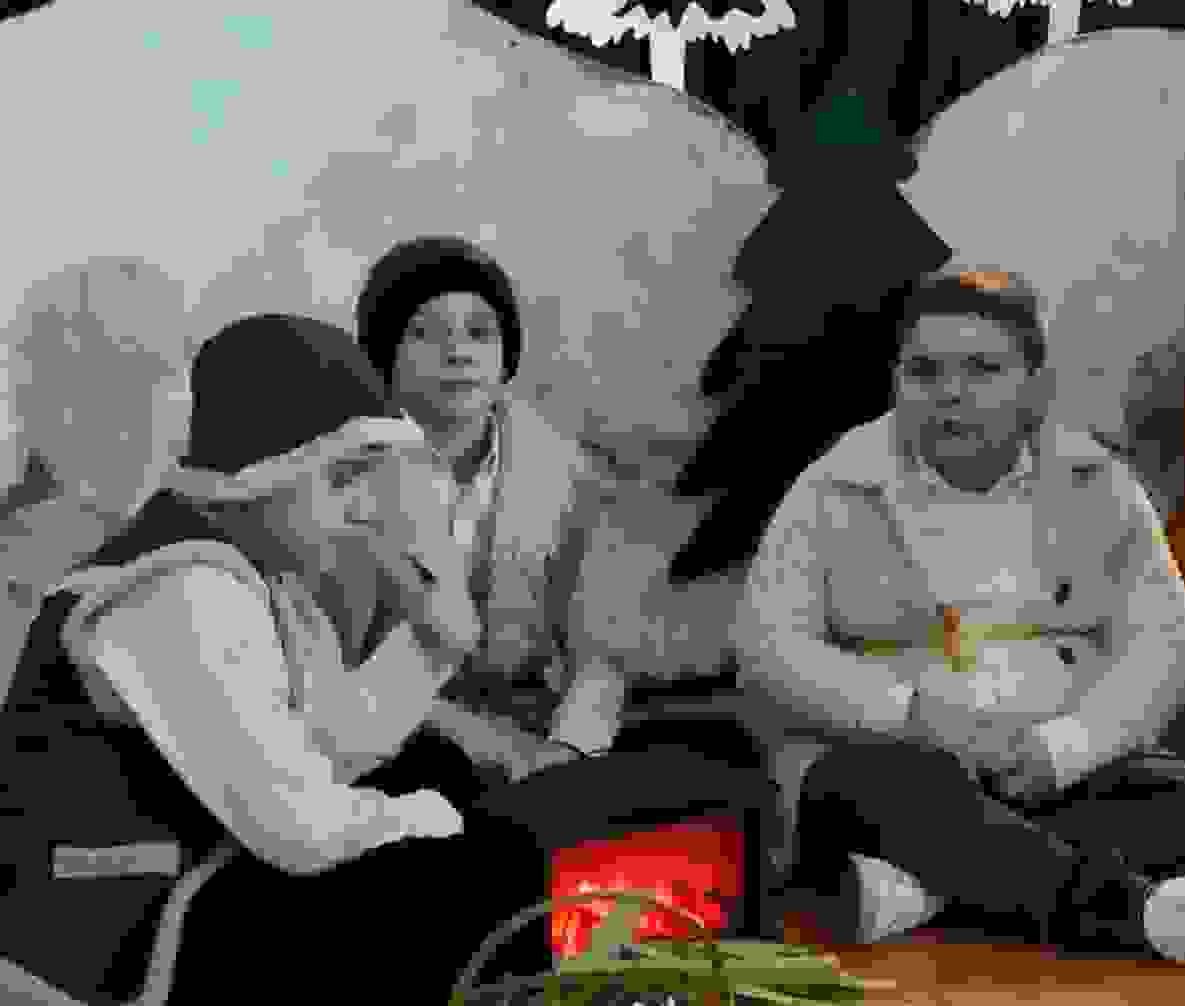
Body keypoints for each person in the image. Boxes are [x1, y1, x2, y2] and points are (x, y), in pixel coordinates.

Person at [0, 314, 552, 1005]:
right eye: (342, 477)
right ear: (260, 476)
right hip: (112, 922)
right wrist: (427, 818)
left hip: (205, 874)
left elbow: (336, 747)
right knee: (474, 870)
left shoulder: (263, 576)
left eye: (370, 477)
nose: (364, 507)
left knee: (444, 784)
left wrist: (434, 632)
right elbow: (298, 829)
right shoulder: (182, 585)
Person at [731, 269, 1185, 958]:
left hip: (1055, 768)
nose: (950, 393)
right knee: (891, 788)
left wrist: (1063, 749)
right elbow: (768, 645)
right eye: (924, 371)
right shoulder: (835, 486)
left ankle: (920, 892)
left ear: (1035, 385)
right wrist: (915, 715)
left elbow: (1159, 642)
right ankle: (1131, 915)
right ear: (895, 382)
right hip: (893, 763)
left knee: (1168, 792)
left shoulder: (1099, 484)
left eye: (982, 369)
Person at [354, 235, 628, 776]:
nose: (458, 353)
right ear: (385, 355)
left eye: (480, 332)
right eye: (426, 333)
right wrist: (480, 741)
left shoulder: (571, 478)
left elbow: (600, 654)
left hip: (533, 735)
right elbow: (332, 665)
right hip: (381, 737)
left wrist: (569, 753)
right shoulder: (342, 476)